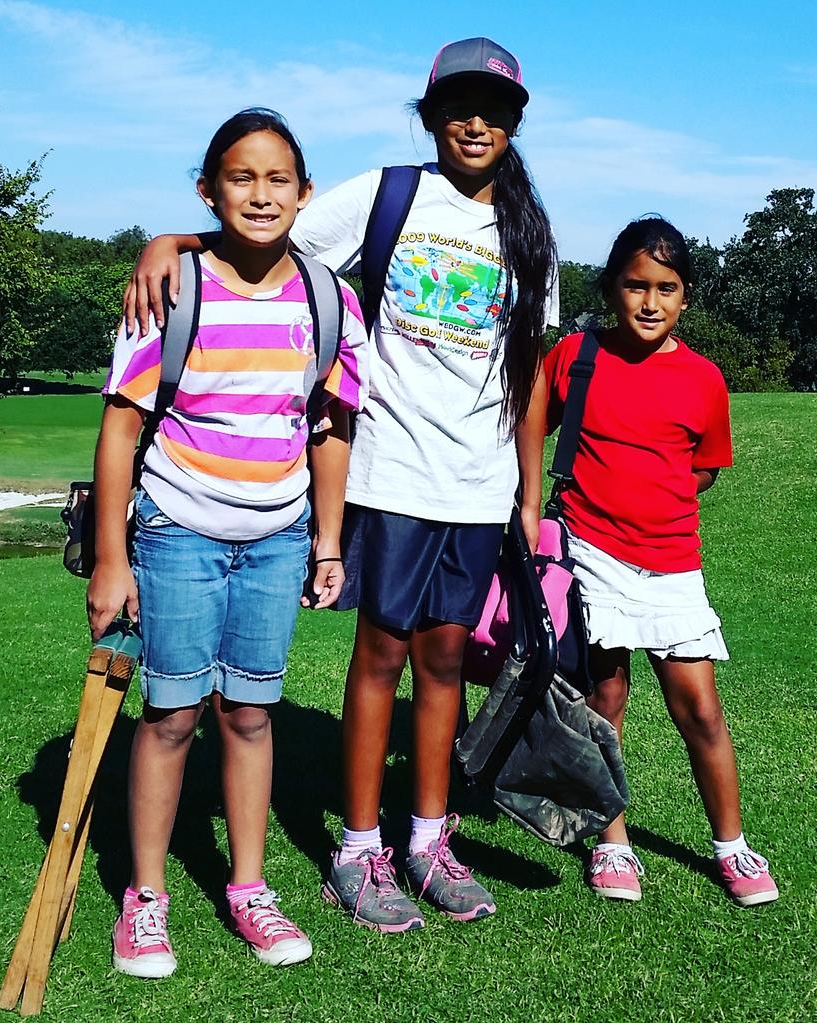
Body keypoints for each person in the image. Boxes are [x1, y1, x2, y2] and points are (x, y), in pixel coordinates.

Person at [124, 37, 557, 932]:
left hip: (479, 489)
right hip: (393, 471)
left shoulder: (530, 227)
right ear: (432, 113)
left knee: (446, 663)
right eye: (459, 107)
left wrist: (526, 490)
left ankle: (429, 841)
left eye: (497, 111)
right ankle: (359, 853)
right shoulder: (387, 194)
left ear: (517, 123)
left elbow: (532, 369)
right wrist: (168, 241)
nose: (476, 124)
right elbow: (265, 239)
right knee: (383, 656)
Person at [88, 108, 367, 977]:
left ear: (305, 192)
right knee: (171, 717)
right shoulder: (171, 288)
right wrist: (109, 559)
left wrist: (327, 542)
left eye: (278, 178)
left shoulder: (329, 300)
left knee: (249, 715)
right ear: (208, 191)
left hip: (276, 537)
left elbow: (328, 427)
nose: (260, 193)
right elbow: (120, 430)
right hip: (176, 532)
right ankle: (147, 898)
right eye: (240, 177)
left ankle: (248, 889)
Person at [538, 217, 779, 908]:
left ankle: (731, 847)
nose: (649, 302)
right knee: (605, 699)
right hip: (590, 553)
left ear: (685, 297)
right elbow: (531, 423)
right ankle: (612, 841)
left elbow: (704, 470)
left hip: (673, 560)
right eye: (635, 285)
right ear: (611, 287)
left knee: (699, 707)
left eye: (665, 288)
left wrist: (654, 500)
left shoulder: (703, 378)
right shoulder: (575, 357)